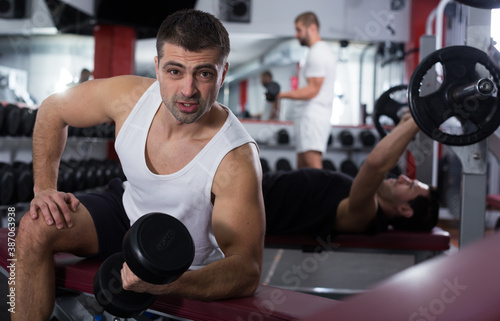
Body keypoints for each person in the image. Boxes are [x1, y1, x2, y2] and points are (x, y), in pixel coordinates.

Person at [13, 9, 265, 321]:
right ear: (158, 67)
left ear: (223, 73)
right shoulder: (129, 98)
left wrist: (167, 283)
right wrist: (44, 188)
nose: (188, 90)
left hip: (182, 257)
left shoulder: (235, 159)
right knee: (32, 227)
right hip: (127, 212)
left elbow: (246, 270)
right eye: (175, 71)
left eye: (203, 73)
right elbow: (53, 110)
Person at [263, 113, 440, 239]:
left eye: (409, 186)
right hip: (257, 189)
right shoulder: (370, 202)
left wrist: (421, 116)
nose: (403, 178)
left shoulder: (365, 214)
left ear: (405, 210)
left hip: (252, 199)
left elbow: (375, 164)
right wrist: (405, 123)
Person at [277, 11, 336, 169]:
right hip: (307, 118)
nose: (296, 35)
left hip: (313, 118)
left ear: (312, 28)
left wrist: (281, 95)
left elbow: (312, 90)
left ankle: (320, 195)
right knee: (303, 168)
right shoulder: (315, 52)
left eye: (299, 30)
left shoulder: (318, 52)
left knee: (312, 166)